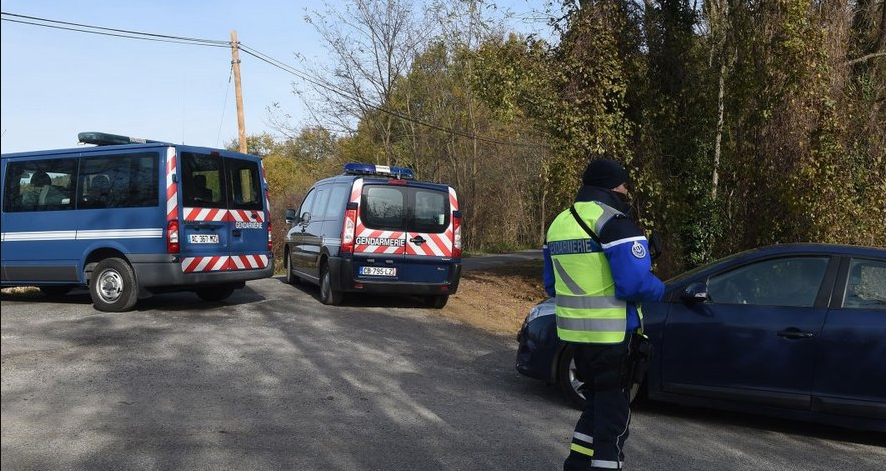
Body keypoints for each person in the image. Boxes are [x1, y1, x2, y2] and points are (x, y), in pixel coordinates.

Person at [543, 158, 665, 471]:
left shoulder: (558, 223)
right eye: (624, 184)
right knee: (613, 423)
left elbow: (550, 284)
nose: (627, 190)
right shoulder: (614, 222)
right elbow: (634, 284)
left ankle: (576, 464)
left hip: (575, 338)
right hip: (614, 336)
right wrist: (660, 287)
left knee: (596, 405)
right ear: (612, 186)